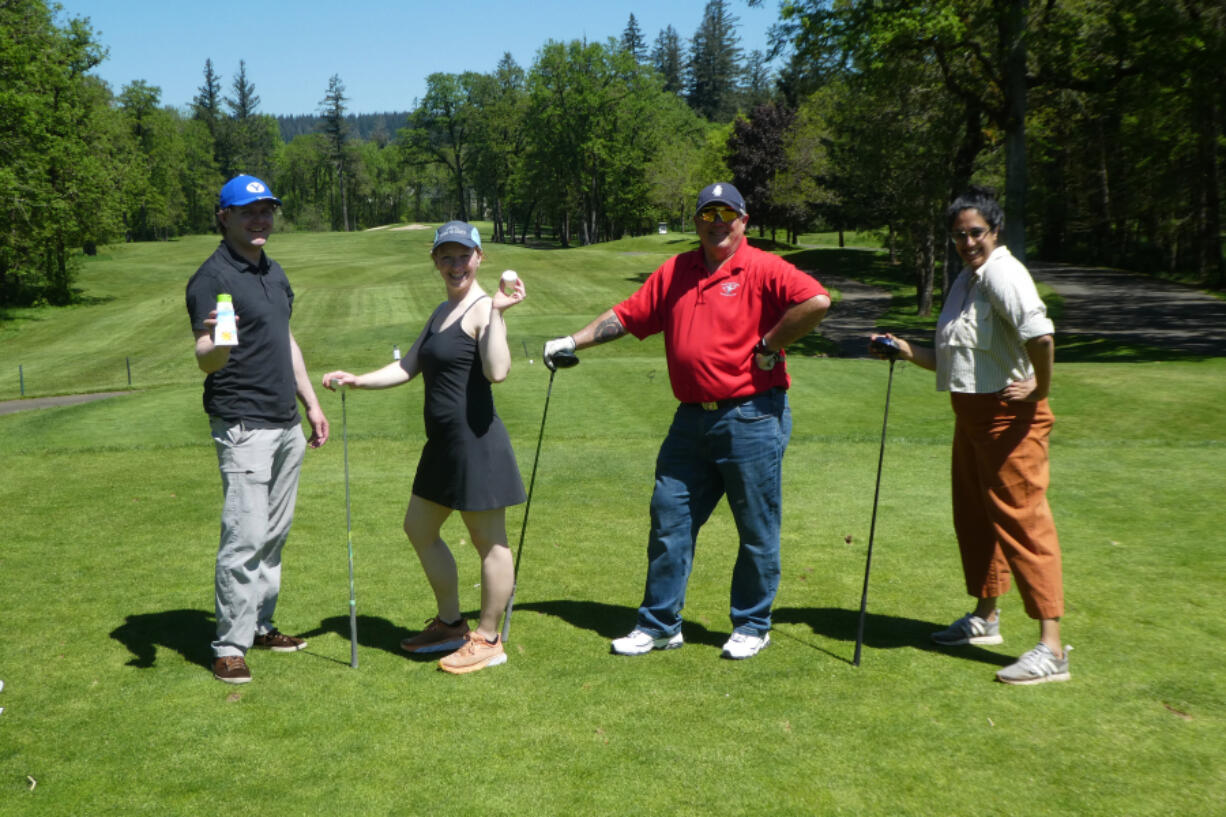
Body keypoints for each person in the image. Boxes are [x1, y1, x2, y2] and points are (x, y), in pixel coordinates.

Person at [543, 183, 830, 660]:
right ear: (696, 221)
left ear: (744, 220)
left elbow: (816, 301)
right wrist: (571, 341)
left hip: (752, 416)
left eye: (727, 214)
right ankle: (659, 624)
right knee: (669, 518)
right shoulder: (678, 270)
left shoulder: (761, 266)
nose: (717, 221)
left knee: (756, 528)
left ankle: (752, 624)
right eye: (707, 214)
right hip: (690, 421)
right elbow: (628, 315)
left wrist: (769, 345)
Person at [870, 185, 1070, 685]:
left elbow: (1040, 334)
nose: (967, 241)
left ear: (994, 231)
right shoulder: (966, 279)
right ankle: (986, 617)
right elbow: (953, 358)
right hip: (971, 415)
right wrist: (903, 349)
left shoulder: (1003, 272)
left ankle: (1052, 648)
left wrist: (1040, 387)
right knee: (977, 519)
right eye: (959, 235)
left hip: (1010, 418)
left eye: (975, 232)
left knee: (1025, 524)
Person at [321, 221, 527, 675]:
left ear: (479, 258)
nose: (455, 265)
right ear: (435, 261)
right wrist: (357, 380)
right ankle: (451, 623)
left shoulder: (480, 309)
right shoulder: (439, 313)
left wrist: (499, 312)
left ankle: (489, 638)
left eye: (463, 256)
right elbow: (408, 366)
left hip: (477, 443)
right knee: (418, 527)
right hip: (442, 447)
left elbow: (497, 372)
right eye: (446, 257)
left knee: (488, 541)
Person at [185, 174, 330, 685]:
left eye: (266, 210)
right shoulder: (212, 278)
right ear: (224, 216)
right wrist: (221, 345)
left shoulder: (272, 271)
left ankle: (261, 625)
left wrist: (309, 403)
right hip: (243, 423)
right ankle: (228, 645)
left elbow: (285, 340)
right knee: (244, 538)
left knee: (273, 535)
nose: (260, 219)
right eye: (249, 211)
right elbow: (207, 356)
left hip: (284, 423)